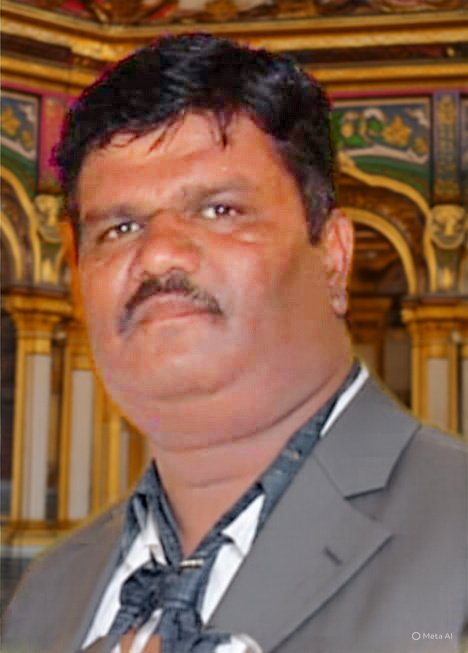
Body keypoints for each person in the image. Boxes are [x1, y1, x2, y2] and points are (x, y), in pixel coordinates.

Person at [3, 33, 467, 653]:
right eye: (120, 226)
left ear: (332, 257)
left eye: (220, 210)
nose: (158, 254)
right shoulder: (49, 592)